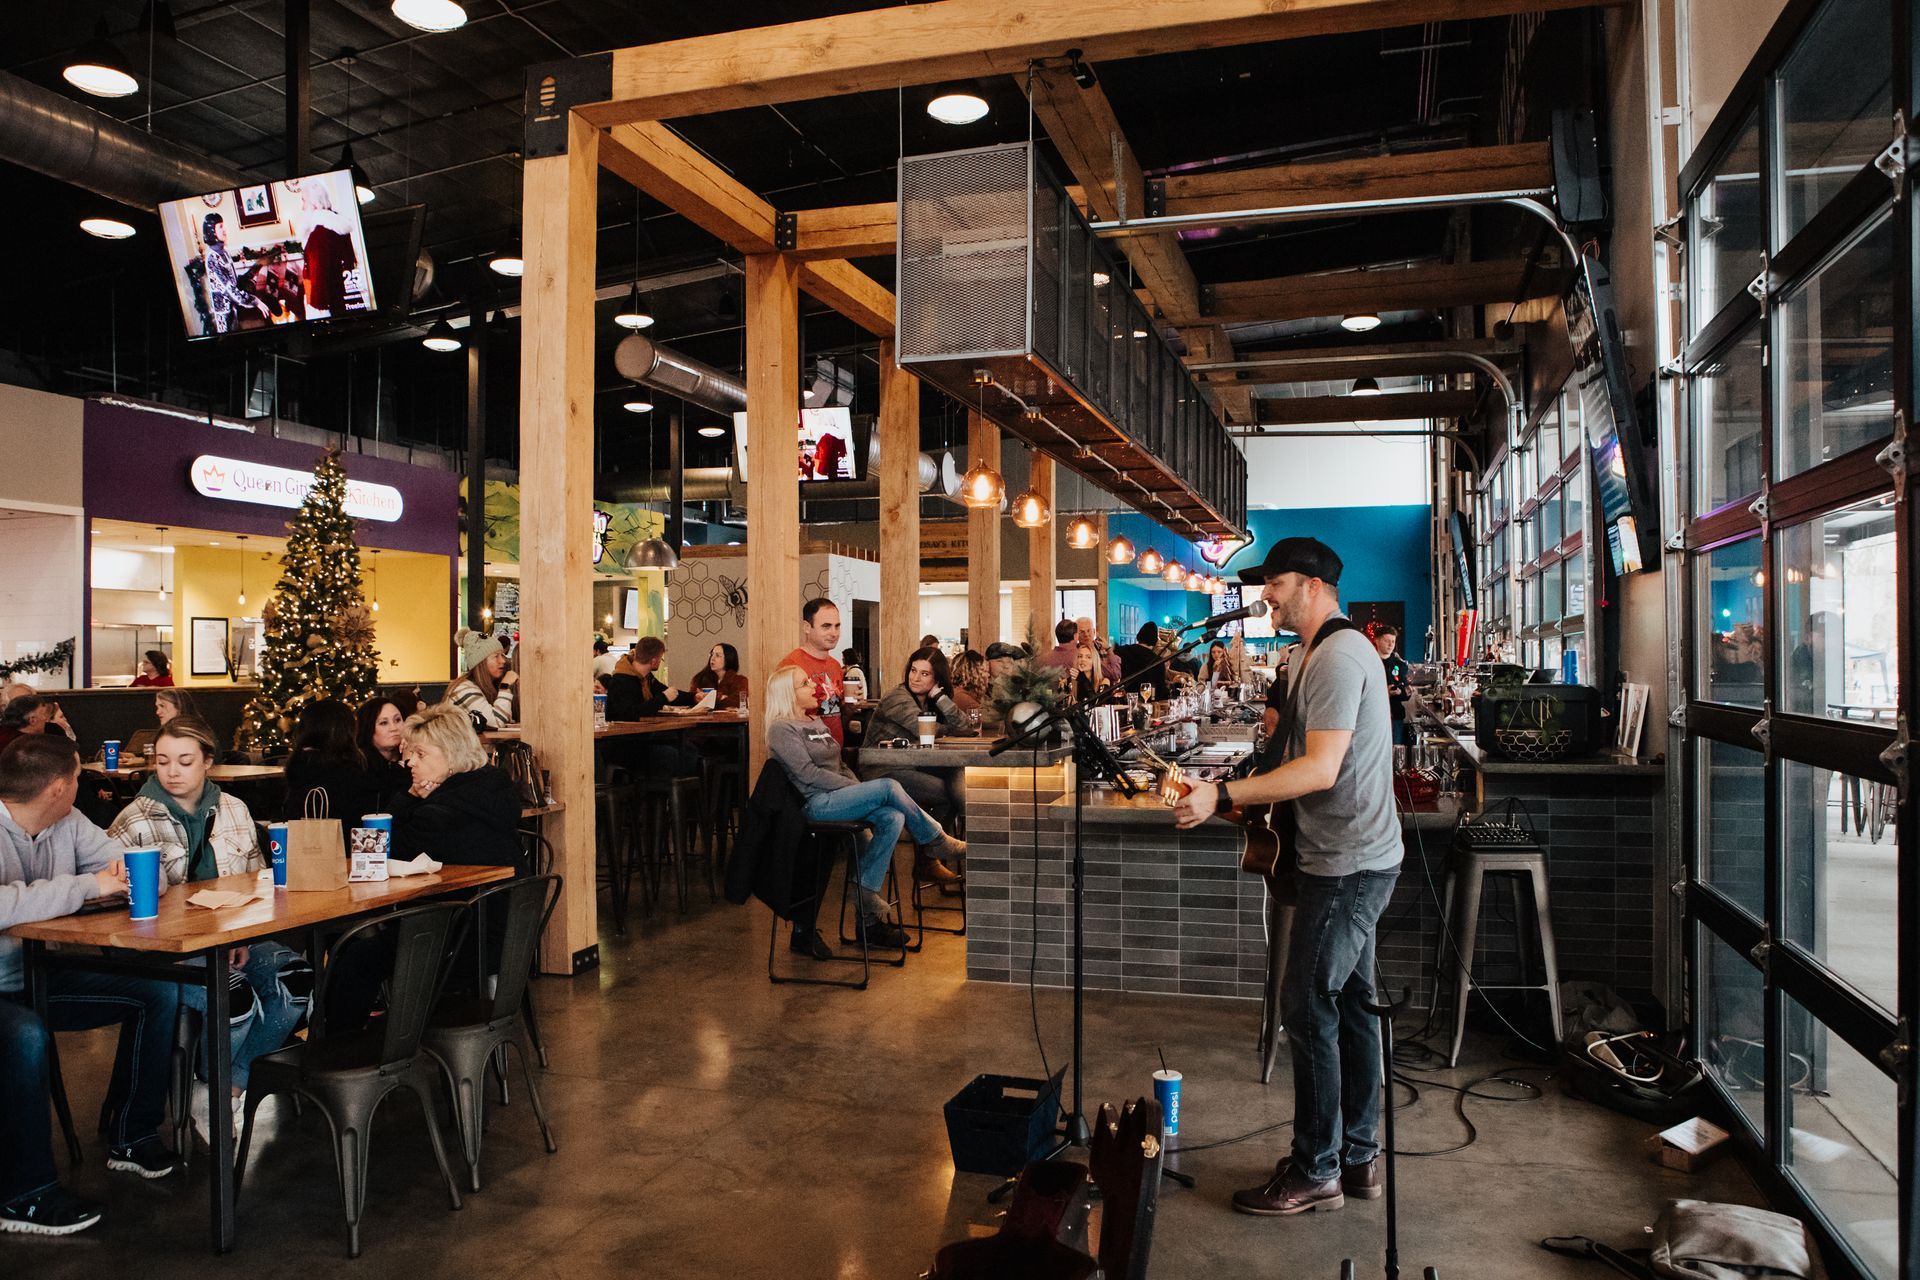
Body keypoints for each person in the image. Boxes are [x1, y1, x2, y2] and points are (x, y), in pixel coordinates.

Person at [1173, 537, 1401, 1218]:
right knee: (1352, 1004)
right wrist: (1229, 787)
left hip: (1348, 865)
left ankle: (1317, 1169)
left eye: (1272, 583)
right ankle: (1357, 1158)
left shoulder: (1335, 655)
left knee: (1307, 1006)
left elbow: (1321, 770)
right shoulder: (1307, 655)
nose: (1265, 595)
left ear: (1309, 585)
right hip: (1344, 856)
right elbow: (1289, 756)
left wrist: (1221, 798)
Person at [1, 734, 182, 1234]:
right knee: (23, 1034)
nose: (80, 787)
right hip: (5, 989)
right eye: (78, 778)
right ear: (60, 787)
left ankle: (131, 1134)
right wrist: (86, 885)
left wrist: (131, 872)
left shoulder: (68, 823)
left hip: (39, 976)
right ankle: (23, 1195)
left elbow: (140, 870)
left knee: (157, 991)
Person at [105, 715, 309, 1144]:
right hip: (164, 947)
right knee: (231, 995)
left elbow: (257, 883)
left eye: (184, 761)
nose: (172, 771)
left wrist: (243, 936)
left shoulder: (235, 809)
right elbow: (112, 908)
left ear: (208, 762)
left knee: (297, 981)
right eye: (162, 762)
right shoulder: (134, 820)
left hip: (233, 934)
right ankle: (211, 1083)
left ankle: (223, 1087)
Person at [765, 665, 966, 949]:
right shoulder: (781, 729)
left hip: (840, 798)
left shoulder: (815, 722)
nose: (813, 685)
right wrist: (858, 790)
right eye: (804, 683)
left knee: (893, 816)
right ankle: (935, 839)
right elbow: (808, 775)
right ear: (788, 694)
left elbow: (840, 764)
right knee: (888, 786)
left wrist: (858, 789)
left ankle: (867, 894)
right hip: (816, 803)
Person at [861, 648, 970, 890]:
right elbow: (927, 729)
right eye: (913, 670)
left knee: (954, 770)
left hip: (910, 766)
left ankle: (931, 855)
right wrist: (947, 726)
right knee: (949, 793)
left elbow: (964, 725)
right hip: (882, 771)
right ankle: (930, 856)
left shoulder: (930, 700)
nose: (915, 678)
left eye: (924, 674)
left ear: (936, 680)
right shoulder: (897, 698)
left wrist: (940, 697)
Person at [390, 703, 524, 869]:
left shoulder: (437, 815)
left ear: (451, 755)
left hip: (459, 894)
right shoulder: (494, 786)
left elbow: (384, 852)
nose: (411, 762)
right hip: (504, 891)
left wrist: (408, 797)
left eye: (420, 754)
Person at [284, 700, 378, 834]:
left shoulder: (297, 765)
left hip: (301, 847)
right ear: (345, 730)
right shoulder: (351, 771)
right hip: (347, 849)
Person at [782, 598, 848, 746]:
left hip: (835, 753)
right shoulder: (792, 665)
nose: (834, 633)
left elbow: (837, 714)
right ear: (807, 627)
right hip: (806, 753)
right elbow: (782, 720)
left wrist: (850, 705)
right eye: (826, 626)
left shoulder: (835, 665)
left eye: (837, 626)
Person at [199, 212, 271, 335]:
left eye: (223, 225)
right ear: (211, 231)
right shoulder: (212, 258)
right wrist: (255, 301)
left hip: (234, 311)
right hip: (224, 316)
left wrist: (257, 266)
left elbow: (235, 282)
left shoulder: (224, 252)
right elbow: (230, 290)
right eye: (220, 226)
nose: (225, 229)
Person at [356, 691, 422, 813]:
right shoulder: (360, 765)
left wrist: (407, 760)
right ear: (368, 728)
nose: (394, 728)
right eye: (384, 723)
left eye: (397, 720)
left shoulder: (418, 757)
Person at [448, 629, 517, 730]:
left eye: (502, 655)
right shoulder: (464, 689)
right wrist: (505, 686)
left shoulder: (482, 687)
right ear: (481, 662)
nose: (502, 661)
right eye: (496, 656)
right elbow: (496, 722)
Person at [1372, 624, 1412, 742]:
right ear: (1377, 641)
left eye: (1393, 641)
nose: (1390, 645)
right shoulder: (1369, 663)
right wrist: (1384, 693)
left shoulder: (1400, 664)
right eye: (1387, 641)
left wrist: (1403, 692)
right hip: (1374, 717)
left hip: (1395, 716)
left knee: (1396, 751)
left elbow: (1405, 692)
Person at [0, 695, 72, 754]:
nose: (46, 719)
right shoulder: (11, 744)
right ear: (32, 720)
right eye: (44, 714)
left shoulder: (53, 730)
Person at [688, 642, 749, 709]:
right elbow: (692, 701)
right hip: (703, 719)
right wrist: (721, 697)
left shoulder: (740, 681)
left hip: (729, 719)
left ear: (728, 658)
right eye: (711, 654)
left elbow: (739, 703)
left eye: (717, 655)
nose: (712, 658)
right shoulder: (699, 679)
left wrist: (712, 698)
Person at [1116, 621, 1161, 691]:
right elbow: (1160, 690)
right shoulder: (1157, 661)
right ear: (1155, 640)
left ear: (1139, 636)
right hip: (1147, 698)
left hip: (1123, 696)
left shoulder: (1122, 651)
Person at [1075, 617, 1122, 683]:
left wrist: (1109, 650)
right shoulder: (1075, 652)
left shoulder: (1103, 650)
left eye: (1089, 631)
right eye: (1082, 632)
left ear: (1094, 632)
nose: (1086, 634)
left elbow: (1116, 675)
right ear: (1076, 635)